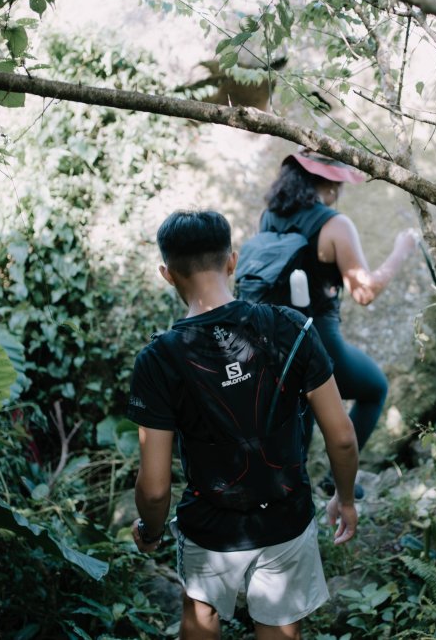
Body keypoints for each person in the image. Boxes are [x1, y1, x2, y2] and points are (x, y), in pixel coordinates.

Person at [128, 210, 359, 640]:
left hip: (210, 527)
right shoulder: (291, 327)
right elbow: (342, 437)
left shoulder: (158, 360)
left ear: (166, 274)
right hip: (286, 516)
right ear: (232, 261)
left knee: (201, 617)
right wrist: (345, 499)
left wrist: (150, 529)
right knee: (278, 626)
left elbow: (156, 486)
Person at [260, 150, 417, 464]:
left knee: (299, 408)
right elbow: (364, 292)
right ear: (330, 184)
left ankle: (297, 496)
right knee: (374, 388)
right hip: (317, 337)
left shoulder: (269, 217)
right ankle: (339, 479)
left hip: (273, 337)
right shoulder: (335, 225)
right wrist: (402, 250)